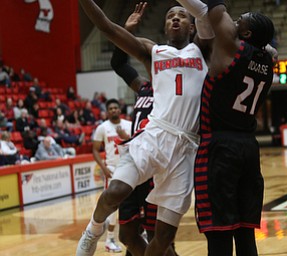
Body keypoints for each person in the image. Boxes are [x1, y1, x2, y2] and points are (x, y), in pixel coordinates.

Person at [76, 1, 210, 255]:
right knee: (116, 191)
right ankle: (93, 230)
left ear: (192, 26)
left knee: (164, 237)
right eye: (170, 15)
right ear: (165, 25)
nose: (175, 19)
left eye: (182, 15)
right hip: (154, 136)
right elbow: (105, 26)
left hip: (186, 148)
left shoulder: (202, 50)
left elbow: (219, 24)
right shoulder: (153, 51)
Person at [176, 0, 275, 255]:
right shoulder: (268, 63)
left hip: (219, 149)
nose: (237, 18)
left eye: (243, 18)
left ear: (246, 33)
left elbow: (214, 8)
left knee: (219, 235)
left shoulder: (232, 46)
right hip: (249, 150)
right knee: (245, 235)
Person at [91, 98, 132, 253]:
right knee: (113, 206)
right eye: (111, 108)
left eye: (116, 108)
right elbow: (95, 149)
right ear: (107, 112)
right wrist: (103, 167)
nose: (114, 110)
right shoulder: (102, 128)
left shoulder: (128, 124)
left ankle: (136, 234)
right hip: (112, 169)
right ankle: (109, 240)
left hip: (129, 168)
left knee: (132, 203)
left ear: (119, 110)